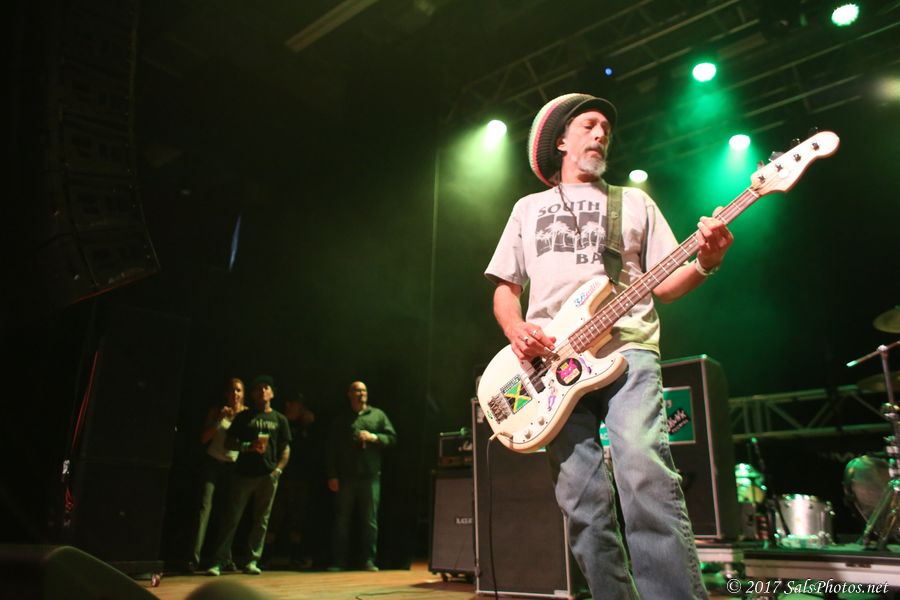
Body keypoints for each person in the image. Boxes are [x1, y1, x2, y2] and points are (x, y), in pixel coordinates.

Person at [484, 93, 733, 599]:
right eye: (589, 125)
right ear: (560, 140)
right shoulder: (527, 209)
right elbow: (505, 289)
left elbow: (666, 284)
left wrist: (707, 262)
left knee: (644, 476)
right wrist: (516, 330)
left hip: (629, 350)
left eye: (606, 129)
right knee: (583, 504)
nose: (601, 134)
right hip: (549, 368)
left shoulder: (634, 202)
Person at [206, 375, 291, 576]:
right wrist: (248, 447)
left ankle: (253, 560)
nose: (262, 391)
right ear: (252, 394)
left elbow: (285, 449)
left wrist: (278, 471)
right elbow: (228, 442)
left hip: (268, 476)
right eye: (258, 388)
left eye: (266, 387)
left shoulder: (280, 419)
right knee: (231, 518)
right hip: (243, 474)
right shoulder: (244, 417)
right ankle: (219, 561)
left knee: (261, 520)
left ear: (272, 393)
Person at [325, 381, 397, 572]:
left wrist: (374, 437)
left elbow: (392, 438)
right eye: (357, 390)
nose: (361, 393)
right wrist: (332, 475)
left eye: (364, 390)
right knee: (342, 521)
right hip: (346, 477)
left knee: (370, 521)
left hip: (370, 476)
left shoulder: (377, 415)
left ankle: (368, 560)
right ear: (349, 394)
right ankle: (339, 561)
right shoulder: (342, 419)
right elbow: (331, 449)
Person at [188, 377, 247, 572]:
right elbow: (204, 438)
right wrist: (219, 420)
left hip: (233, 467)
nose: (235, 394)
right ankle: (193, 559)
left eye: (238, 390)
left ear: (243, 394)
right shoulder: (217, 411)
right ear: (226, 394)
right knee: (204, 509)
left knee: (229, 513)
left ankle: (223, 558)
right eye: (232, 390)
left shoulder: (246, 414)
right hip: (212, 463)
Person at [265, 392, 316, 568]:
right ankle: (266, 556)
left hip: (301, 478)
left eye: (302, 405)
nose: (300, 408)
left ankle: (295, 555)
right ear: (289, 404)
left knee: (298, 519)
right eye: (297, 404)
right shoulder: (280, 421)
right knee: (274, 517)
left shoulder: (306, 426)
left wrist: (309, 426)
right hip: (281, 476)